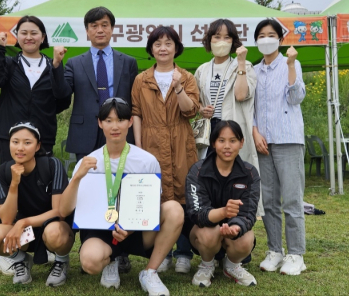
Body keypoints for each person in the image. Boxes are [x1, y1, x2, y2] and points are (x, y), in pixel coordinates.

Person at [59, 98, 184, 296]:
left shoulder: (146, 161)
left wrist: (131, 229)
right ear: (100, 123)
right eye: (108, 120)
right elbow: (64, 210)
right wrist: (76, 178)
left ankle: (149, 272)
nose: (115, 126)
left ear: (130, 122)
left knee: (174, 210)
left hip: (136, 229)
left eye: (120, 120)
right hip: (101, 231)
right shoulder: (88, 162)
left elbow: (152, 206)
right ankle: (111, 260)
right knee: (90, 262)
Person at [59, 6, 138, 272]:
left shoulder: (128, 62)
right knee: (89, 191)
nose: (99, 29)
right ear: (87, 31)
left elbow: (133, 100)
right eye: (94, 25)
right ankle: (89, 244)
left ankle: (121, 250)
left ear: (112, 28)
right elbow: (60, 97)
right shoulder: (74, 63)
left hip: (118, 134)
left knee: (120, 190)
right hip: (85, 135)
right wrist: (57, 65)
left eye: (104, 24)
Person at [131, 26, 199, 274]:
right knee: (156, 196)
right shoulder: (141, 79)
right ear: (151, 49)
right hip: (151, 143)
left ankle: (183, 252)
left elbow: (190, 111)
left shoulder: (187, 77)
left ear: (176, 48)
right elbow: (136, 113)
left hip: (180, 141)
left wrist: (179, 87)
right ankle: (164, 253)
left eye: (168, 43)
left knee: (182, 194)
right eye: (157, 43)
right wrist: (139, 148)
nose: (162, 48)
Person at [0, 122, 75, 286]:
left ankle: (61, 261)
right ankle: (21, 260)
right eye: (15, 142)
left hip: (53, 229)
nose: (20, 148)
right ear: (9, 143)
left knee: (54, 232)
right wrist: (14, 184)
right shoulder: (4, 171)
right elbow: (5, 219)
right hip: (26, 234)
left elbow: (59, 211)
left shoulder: (52, 165)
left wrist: (23, 222)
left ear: (37, 145)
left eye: (27, 142)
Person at [252, 19, 307, 275]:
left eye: (271, 34)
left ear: (280, 39)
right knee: (270, 201)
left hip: (288, 140)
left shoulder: (290, 64)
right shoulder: (252, 70)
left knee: (292, 200)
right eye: (261, 35)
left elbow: (296, 97)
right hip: (263, 143)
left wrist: (291, 65)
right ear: (256, 41)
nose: (266, 39)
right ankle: (275, 250)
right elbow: (248, 107)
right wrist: (254, 132)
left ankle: (296, 254)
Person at [0, 16, 71, 164]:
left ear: (43, 37)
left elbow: (64, 99)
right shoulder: (9, 63)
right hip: (9, 137)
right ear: (17, 36)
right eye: (24, 33)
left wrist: (57, 65)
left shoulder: (52, 65)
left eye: (34, 33)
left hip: (42, 137)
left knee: (40, 183)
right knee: (11, 180)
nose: (29, 37)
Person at [185, 121, 260, 287]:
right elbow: (196, 213)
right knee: (209, 234)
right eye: (221, 141)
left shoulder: (250, 174)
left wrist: (235, 228)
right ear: (213, 143)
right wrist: (224, 212)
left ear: (241, 143)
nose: (227, 146)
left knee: (247, 238)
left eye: (233, 141)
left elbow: (248, 213)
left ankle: (232, 265)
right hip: (204, 231)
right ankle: (207, 264)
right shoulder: (197, 171)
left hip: (234, 232)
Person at [194, 19, 259, 168]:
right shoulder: (202, 70)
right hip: (210, 130)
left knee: (234, 172)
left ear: (233, 41)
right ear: (209, 40)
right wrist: (201, 109)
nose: (221, 41)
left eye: (227, 37)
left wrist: (241, 62)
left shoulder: (245, 66)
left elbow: (241, 95)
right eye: (217, 36)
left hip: (233, 126)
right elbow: (195, 100)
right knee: (210, 173)